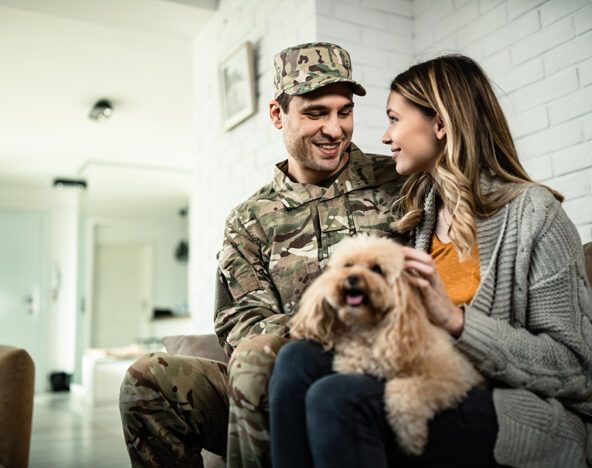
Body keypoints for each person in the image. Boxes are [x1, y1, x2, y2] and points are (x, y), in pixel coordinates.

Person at [269, 54, 592, 468]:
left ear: (440, 124)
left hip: (519, 411)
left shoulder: (535, 215)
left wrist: (457, 321)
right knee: (297, 360)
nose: (385, 137)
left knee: (338, 398)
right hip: (425, 379)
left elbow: (576, 369)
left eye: (394, 119)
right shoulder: (418, 216)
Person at [119, 42, 406, 468]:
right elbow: (242, 322)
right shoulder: (249, 219)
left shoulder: (398, 179)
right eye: (315, 113)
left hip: (384, 364)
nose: (335, 129)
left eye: (344, 111)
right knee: (146, 379)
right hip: (278, 375)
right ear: (277, 115)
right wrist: (320, 329)